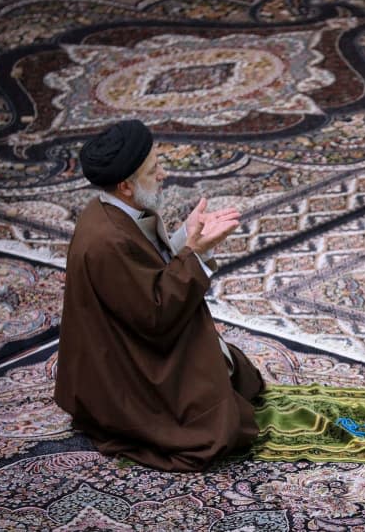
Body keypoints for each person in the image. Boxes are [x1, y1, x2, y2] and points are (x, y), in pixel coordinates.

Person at [54, 119, 264, 472]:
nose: (163, 174)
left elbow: (147, 271)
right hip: (122, 368)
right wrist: (197, 253)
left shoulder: (112, 211)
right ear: (125, 185)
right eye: (154, 170)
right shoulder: (108, 239)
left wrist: (186, 236)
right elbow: (156, 314)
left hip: (129, 341)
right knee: (218, 430)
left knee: (241, 376)